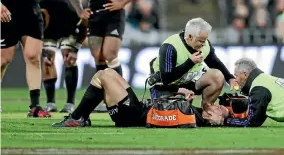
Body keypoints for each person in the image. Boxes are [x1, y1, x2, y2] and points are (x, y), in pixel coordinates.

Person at [51, 68, 229, 127]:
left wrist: (181, 101)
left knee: (104, 77)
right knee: (106, 72)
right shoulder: (195, 112)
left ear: (214, 119)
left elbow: (163, 118)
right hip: (139, 107)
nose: (215, 105)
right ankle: (82, 117)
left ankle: (77, 118)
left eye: (218, 109)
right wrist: (180, 95)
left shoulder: (194, 119)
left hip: (131, 115)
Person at [150, 18, 239, 109]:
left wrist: (230, 78)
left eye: (205, 40)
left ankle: (207, 111)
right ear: (190, 37)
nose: (204, 44)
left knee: (217, 76)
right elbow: (166, 78)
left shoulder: (205, 44)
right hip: (166, 86)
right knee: (170, 111)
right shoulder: (170, 46)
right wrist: (190, 62)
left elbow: (215, 63)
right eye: (201, 41)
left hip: (189, 81)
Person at [40, 0, 88, 114]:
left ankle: (70, 103)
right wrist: (44, 53)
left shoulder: (67, 10)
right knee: (47, 60)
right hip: (48, 31)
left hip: (67, 29)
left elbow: (84, 24)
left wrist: (75, 50)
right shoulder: (29, 13)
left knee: (69, 57)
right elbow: (29, 38)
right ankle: (50, 103)